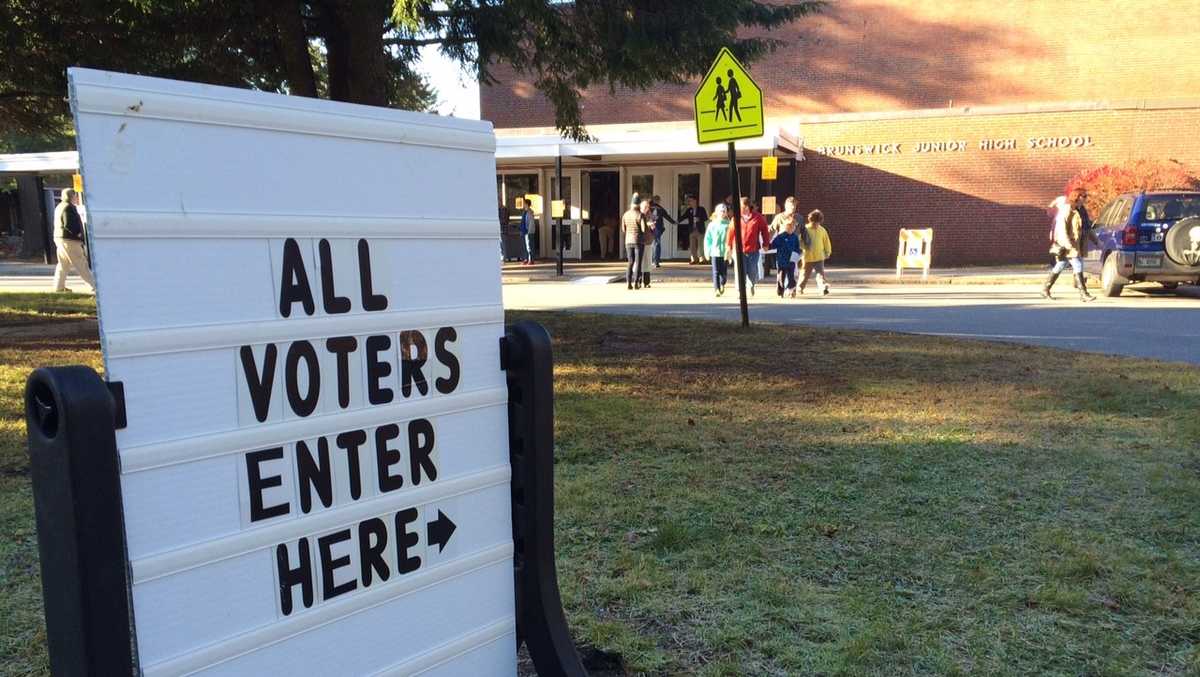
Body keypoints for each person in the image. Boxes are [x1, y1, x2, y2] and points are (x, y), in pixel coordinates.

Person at [1042, 187, 1096, 301]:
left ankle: (1045, 289)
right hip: (1069, 243)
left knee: (1061, 264)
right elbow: (1061, 227)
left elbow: (1087, 227)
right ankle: (1084, 294)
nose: (1085, 199)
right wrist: (1066, 243)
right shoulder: (1068, 209)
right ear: (1077, 196)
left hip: (1077, 243)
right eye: (1084, 196)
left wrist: (1097, 241)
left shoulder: (1081, 209)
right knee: (1078, 264)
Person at [51, 188, 95, 293]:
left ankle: (59, 287)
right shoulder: (68, 207)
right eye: (75, 196)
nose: (76, 198)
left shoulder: (59, 206)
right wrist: (78, 234)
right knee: (81, 263)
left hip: (60, 238)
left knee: (63, 264)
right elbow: (68, 224)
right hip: (70, 240)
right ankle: (93, 287)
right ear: (71, 196)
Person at [726, 196, 771, 295]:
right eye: (741, 207)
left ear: (748, 206)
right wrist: (728, 246)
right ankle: (740, 290)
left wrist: (766, 244)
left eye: (744, 207)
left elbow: (765, 231)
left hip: (753, 249)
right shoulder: (736, 218)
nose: (742, 209)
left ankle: (751, 285)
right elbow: (730, 232)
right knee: (740, 271)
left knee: (752, 270)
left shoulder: (758, 217)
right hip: (738, 249)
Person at [769, 198, 808, 297]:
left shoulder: (799, 218)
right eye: (791, 205)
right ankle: (781, 288)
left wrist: (807, 243)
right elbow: (772, 229)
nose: (793, 208)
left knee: (793, 270)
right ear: (786, 206)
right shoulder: (779, 217)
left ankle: (791, 289)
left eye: (794, 206)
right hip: (782, 249)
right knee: (782, 271)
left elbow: (803, 231)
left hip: (794, 248)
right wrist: (767, 243)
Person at [799, 209, 833, 296]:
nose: (816, 225)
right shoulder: (805, 229)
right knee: (804, 275)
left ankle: (823, 288)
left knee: (820, 274)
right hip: (807, 257)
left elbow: (826, 241)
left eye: (818, 223)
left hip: (819, 257)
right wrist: (802, 248)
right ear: (810, 220)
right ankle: (800, 287)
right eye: (814, 223)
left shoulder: (822, 230)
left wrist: (828, 252)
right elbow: (800, 241)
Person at [621, 198, 652, 290]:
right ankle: (636, 283)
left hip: (628, 241)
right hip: (638, 241)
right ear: (638, 205)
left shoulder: (625, 214)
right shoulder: (640, 215)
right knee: (638, 262)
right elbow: (643, 229)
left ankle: (628, 282)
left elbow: (623, 229)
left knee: (630, 262)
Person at [704, 203, 732, 296]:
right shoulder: (712, 225)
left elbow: (732, 239)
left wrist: (731, 252)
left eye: (724, 211)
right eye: (721, 211)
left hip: (725, 252)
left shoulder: (729, 224)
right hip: (714, 251)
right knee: (715, 271)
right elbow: (708, 239)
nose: (722, 213)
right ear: (717, 212)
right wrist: (707, 251)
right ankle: (716, 289)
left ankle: (722, 283)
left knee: (723, 271)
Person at [678, 195, 708, 264]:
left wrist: (699, 219)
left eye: (690, 201)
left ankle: (702, 259)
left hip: (700, 229)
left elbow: (706, 218)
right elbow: (684, 216)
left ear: (695, 201)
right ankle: (694, 259)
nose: (689, 202)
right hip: (692, 230)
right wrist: (677, 221)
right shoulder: (689, 210)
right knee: (692, 246)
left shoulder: (701, 209)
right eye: (689, 201)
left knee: (701, 245)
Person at [649, 195, 676, 268]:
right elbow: (666, 216)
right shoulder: (660, 208)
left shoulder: (648, 207)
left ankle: (651, 260)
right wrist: (674, 222)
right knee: (657, 244)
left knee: (651, 244)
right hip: (657, 228)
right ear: (657, 201)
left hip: (649, 227)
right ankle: (656, 261)